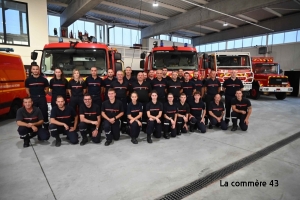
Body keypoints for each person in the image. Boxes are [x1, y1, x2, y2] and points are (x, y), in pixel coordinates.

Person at [25, 65, 49, 130]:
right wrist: (30, 96)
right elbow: (27, 89)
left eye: (37, 69)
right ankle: (35, 126)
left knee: (44, 112)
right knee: (33, 112)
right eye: (34, 69)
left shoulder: (44, 79)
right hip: (33, 98)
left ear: (39, 70)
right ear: (31, 70)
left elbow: (47, 89)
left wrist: (43, 94)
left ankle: (46, 127)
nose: (35, 70)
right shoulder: (28, 80)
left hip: (42, 98)